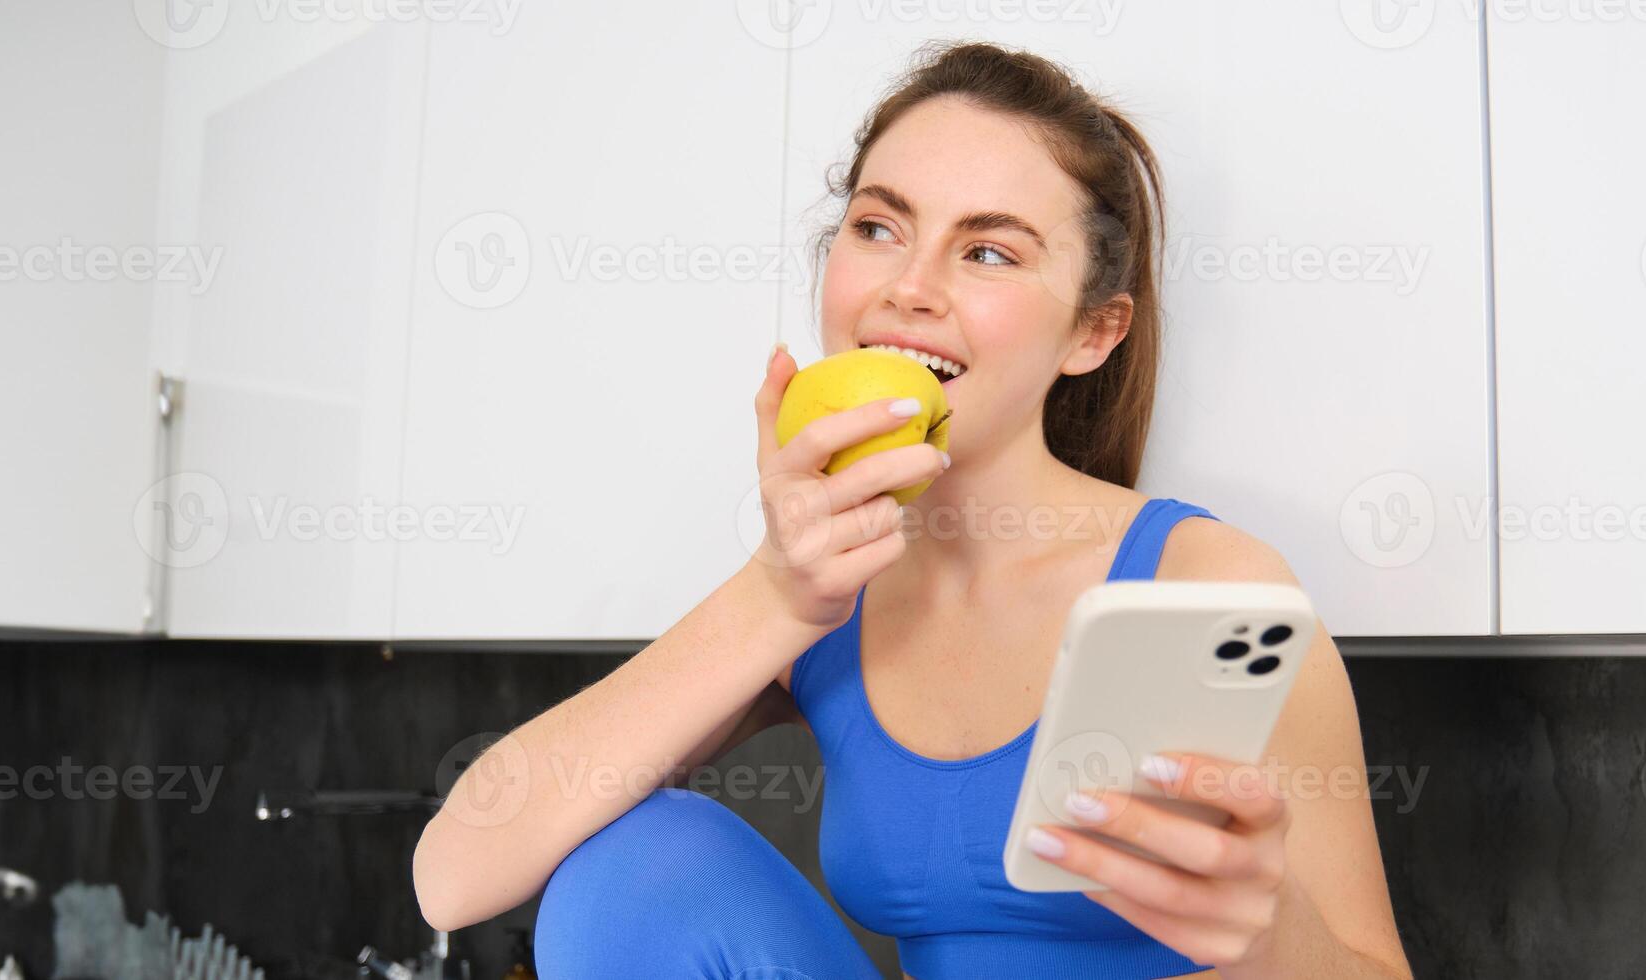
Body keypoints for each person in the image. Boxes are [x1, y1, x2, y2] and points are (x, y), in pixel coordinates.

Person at [412, 40, 1413, 980]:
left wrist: (1266, 931)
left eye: (987, 252)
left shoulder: (1211, 590)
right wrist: (778, 596)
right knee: (641, 860)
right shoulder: (825, 594)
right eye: (878, 228)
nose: (909, 287)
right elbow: (453, 875)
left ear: (1093, 333)